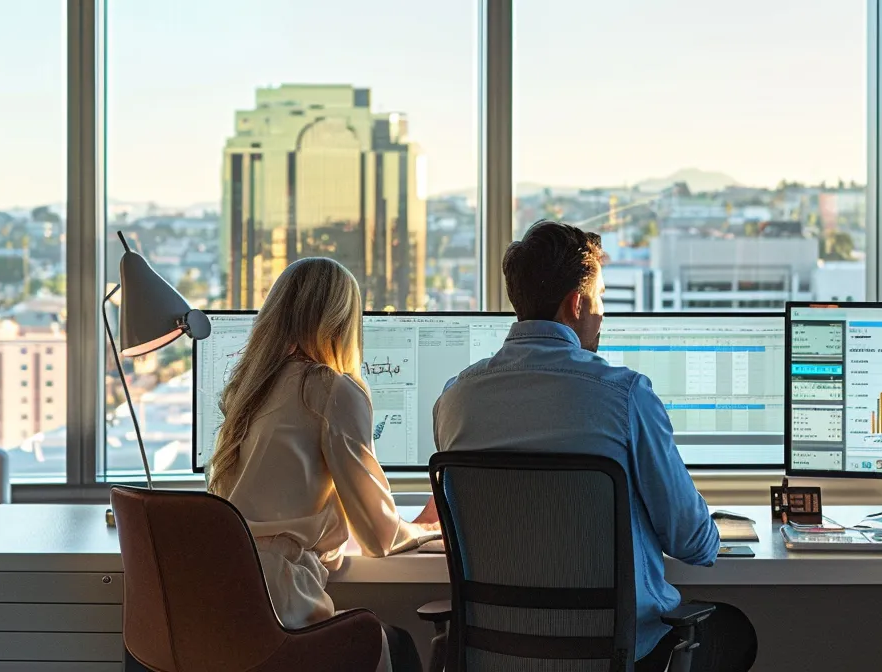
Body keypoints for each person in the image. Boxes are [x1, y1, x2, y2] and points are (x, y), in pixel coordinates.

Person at [433, 221, 758, 671]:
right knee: (734, 632)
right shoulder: (625, 396)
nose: (603, 312)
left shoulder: (455, 398)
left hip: (495, 652)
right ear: (577, 303)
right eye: (602, 298)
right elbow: (693, 543)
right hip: (615, 654)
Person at [208, 257, 437, 672]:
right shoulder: (330, 389)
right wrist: (423, 528)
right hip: (279, 608)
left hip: (225, 599)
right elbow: (378, 537)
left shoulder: (250, 390)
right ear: (341, 322)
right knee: (399, 643)